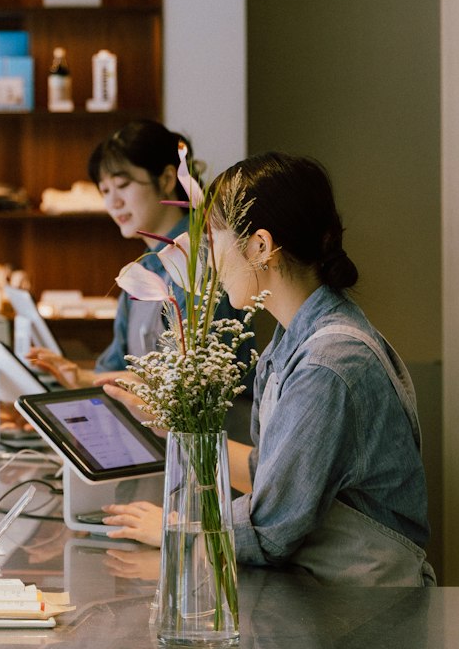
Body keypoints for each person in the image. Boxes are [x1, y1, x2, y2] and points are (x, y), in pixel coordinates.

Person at [105, 151, 434, 585]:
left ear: (260, 246)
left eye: (215, 241)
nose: (210, 262)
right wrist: (170, 424)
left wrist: (174, 528)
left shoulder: (329, 364)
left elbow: (271, 527)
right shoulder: (295, 340)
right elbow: (272, 471)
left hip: (366, 613)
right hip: (331, 597)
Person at [29, 120, 198, 387]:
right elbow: (117, 365)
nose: (113, 202)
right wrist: (76, 377)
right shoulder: (142, 269)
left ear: (166, 180)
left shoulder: (197, 261)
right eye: (105, 191)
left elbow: (188, 383)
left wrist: (90, 379)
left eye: (123, 185)